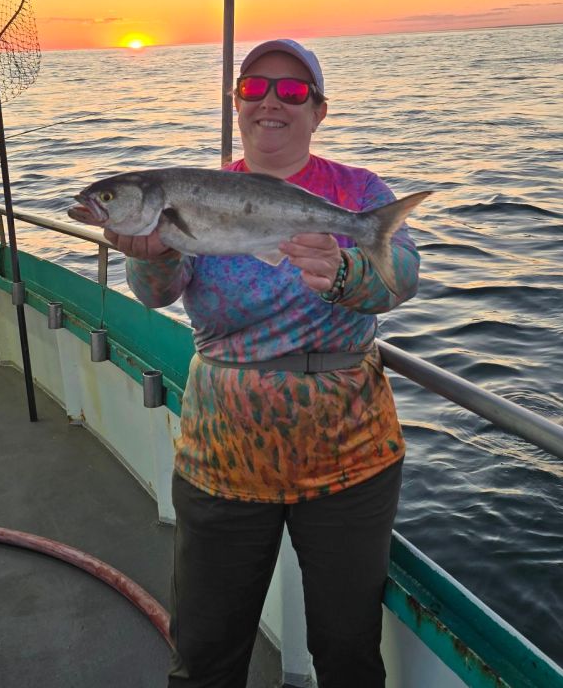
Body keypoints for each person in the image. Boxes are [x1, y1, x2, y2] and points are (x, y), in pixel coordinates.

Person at [106, 39, 421, 688]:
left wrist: (348, 271)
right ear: (237, 102)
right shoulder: (198, 193)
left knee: (347, 652)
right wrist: (151, 252)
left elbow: (400, 283)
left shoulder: (358, 193)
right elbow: (156, 294)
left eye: (293, 90)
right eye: (255, 88)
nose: (272, 101)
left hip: (349, 458)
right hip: (223, 458)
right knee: (206, 651)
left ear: (319, 111)